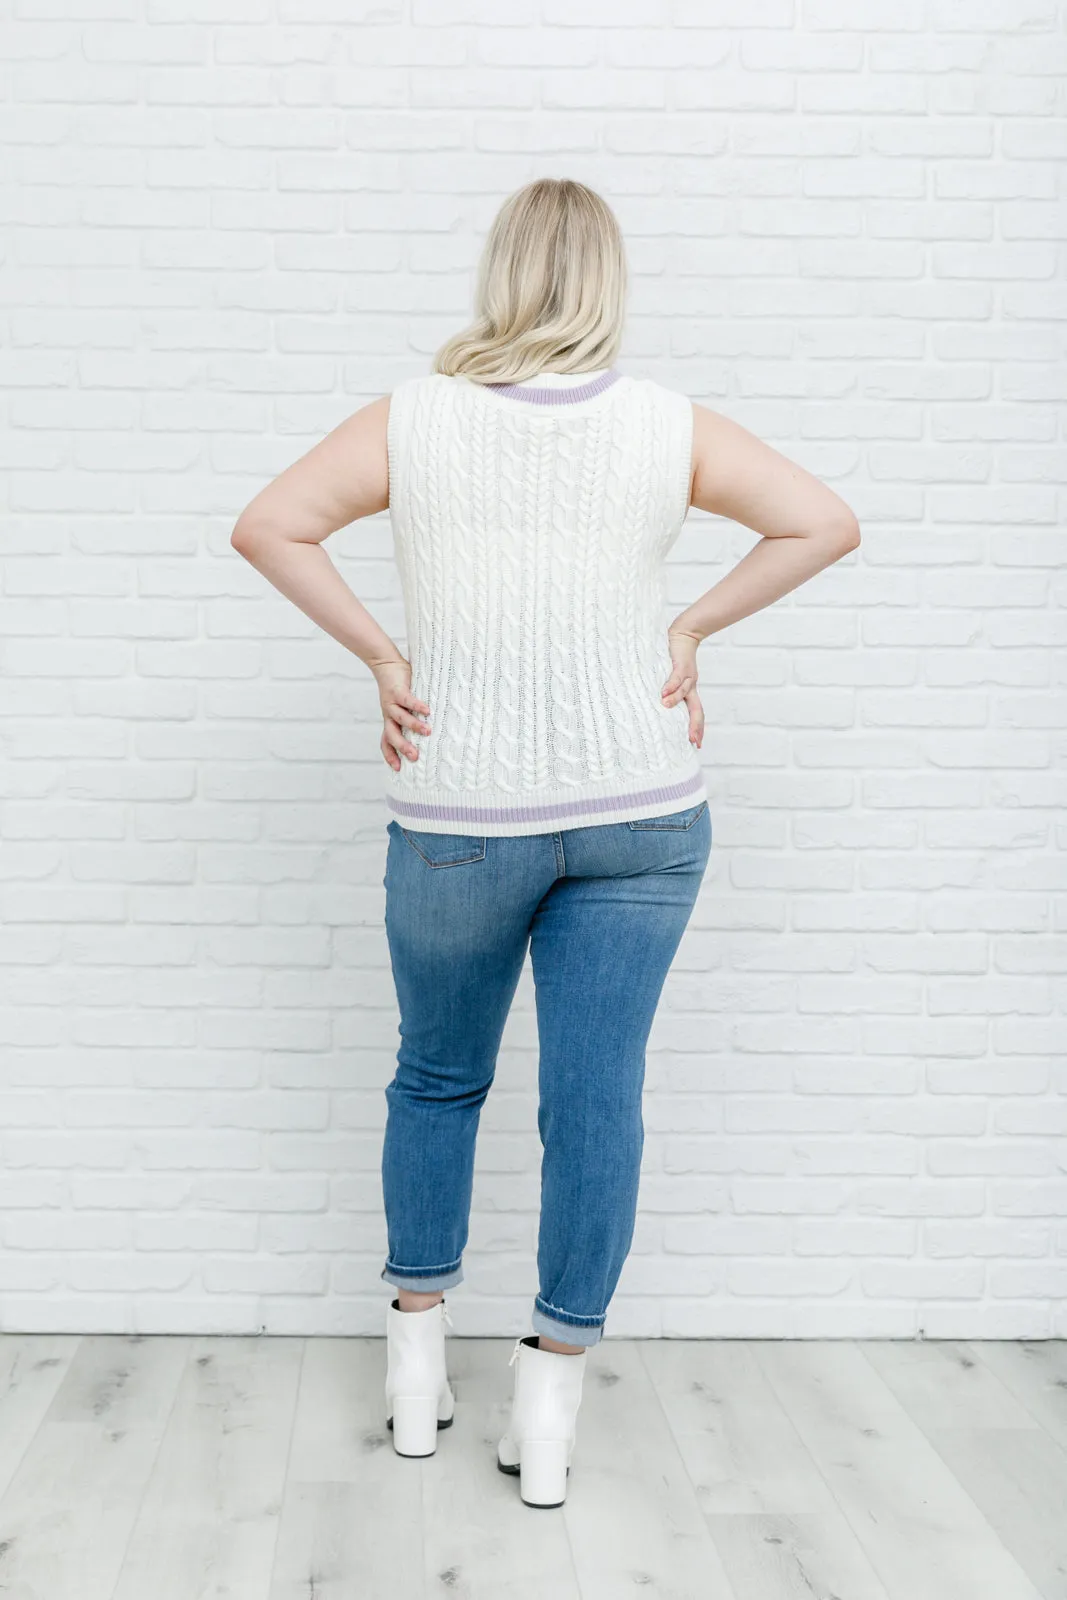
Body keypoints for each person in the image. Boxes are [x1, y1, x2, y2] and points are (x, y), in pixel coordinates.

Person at [230, 176, 860, 1510]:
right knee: (596, 1107)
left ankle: (414, 1380)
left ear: (499, 273)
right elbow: (822, 520)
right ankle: (552, 1400)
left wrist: (384, 658)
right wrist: (686, 630)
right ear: (607, 282)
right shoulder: (666, 426)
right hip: (643, 811)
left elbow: (268, 524)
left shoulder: (409, 419)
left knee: (437, 1082)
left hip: (456, 815)